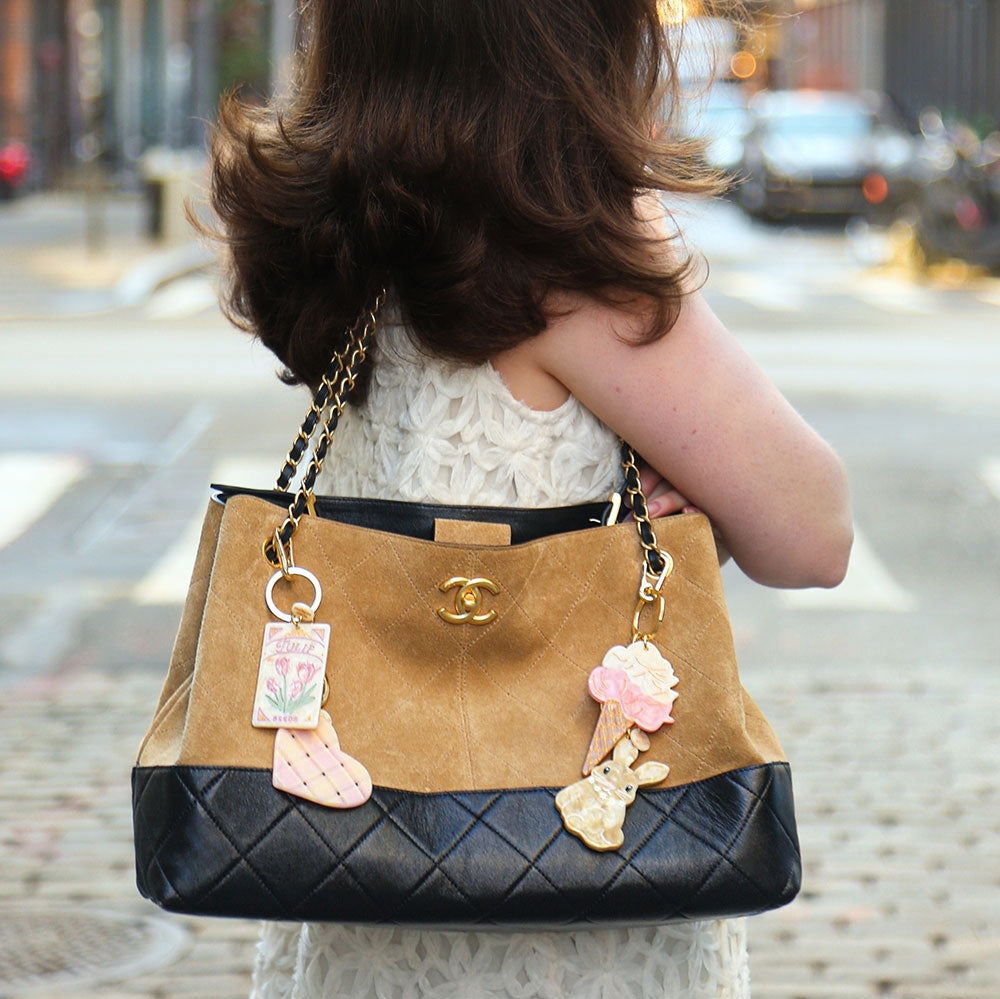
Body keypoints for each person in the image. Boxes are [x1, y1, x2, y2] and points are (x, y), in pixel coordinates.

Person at [205, 1, 853, 996]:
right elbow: (814, 534)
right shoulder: (566, 255)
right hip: (568, 920)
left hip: (358, 889)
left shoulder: (346, 224)